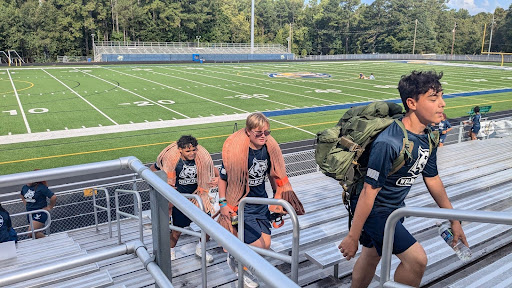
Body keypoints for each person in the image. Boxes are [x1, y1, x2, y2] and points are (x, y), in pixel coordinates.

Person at [338, 71, 468, 288]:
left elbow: (433, 178)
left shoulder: (428, 137)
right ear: (412, 103)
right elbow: (369, 191)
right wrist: (352, 236)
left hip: (394, 207)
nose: (442, 104)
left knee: (371, 255)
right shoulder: (389, 141)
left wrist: (454, 219)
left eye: (442, 97)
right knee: (417, 260)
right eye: (433, 99)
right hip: (375, 210)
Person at [218, 112, 303, 288]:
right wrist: (222, 203)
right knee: (258, 245)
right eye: (258, 133)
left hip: (261, 202)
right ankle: (237, 263)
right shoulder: (237, 151)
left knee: (265, 244)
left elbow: (273, 174)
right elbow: (222, 178)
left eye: (267, 132)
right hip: (243, 205)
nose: (263, 136)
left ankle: (239, 257)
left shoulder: (267, 149)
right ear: (248, 131)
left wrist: (277, 195)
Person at [151, 135, 218, 263]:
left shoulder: (201, 159)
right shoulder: (173, 160)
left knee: (209, 225)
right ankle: (170, 250)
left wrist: (218, 178)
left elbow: (212, 169)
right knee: (177, 231)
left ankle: (201, 248)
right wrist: (161, 181)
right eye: (188, 151)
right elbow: (153, 169)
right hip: (180, 200)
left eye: (194, 150)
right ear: (180, 150)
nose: (192, 153)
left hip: (199, 197)